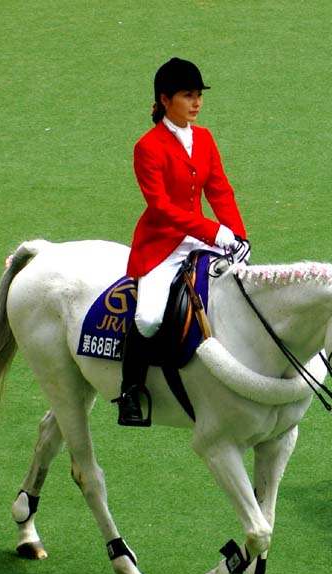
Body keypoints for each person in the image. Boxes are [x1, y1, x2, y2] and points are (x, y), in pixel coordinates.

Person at [114, 57, 249, 426]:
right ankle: (130, 392)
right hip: (163, 244)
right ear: (165, 99)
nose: (196, 103)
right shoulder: (148, 147)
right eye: (188, 96)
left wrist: (237, 235)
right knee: (149, 316)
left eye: (198, 95)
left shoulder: (204, 138)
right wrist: (213, 231)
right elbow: (159, 208)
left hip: (204, 239)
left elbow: (220, 190)